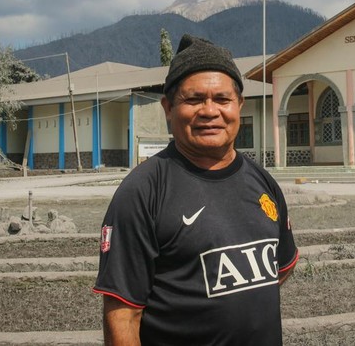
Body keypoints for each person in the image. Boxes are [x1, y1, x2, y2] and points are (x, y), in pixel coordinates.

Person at [93, 34, 299, 345]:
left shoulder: (262, 181)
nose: (209, 111)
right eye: (193, 99)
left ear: (239, 106)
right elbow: (122, 314)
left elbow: (279, 269)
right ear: (168, 108)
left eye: (222, 99)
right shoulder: (143, 191)